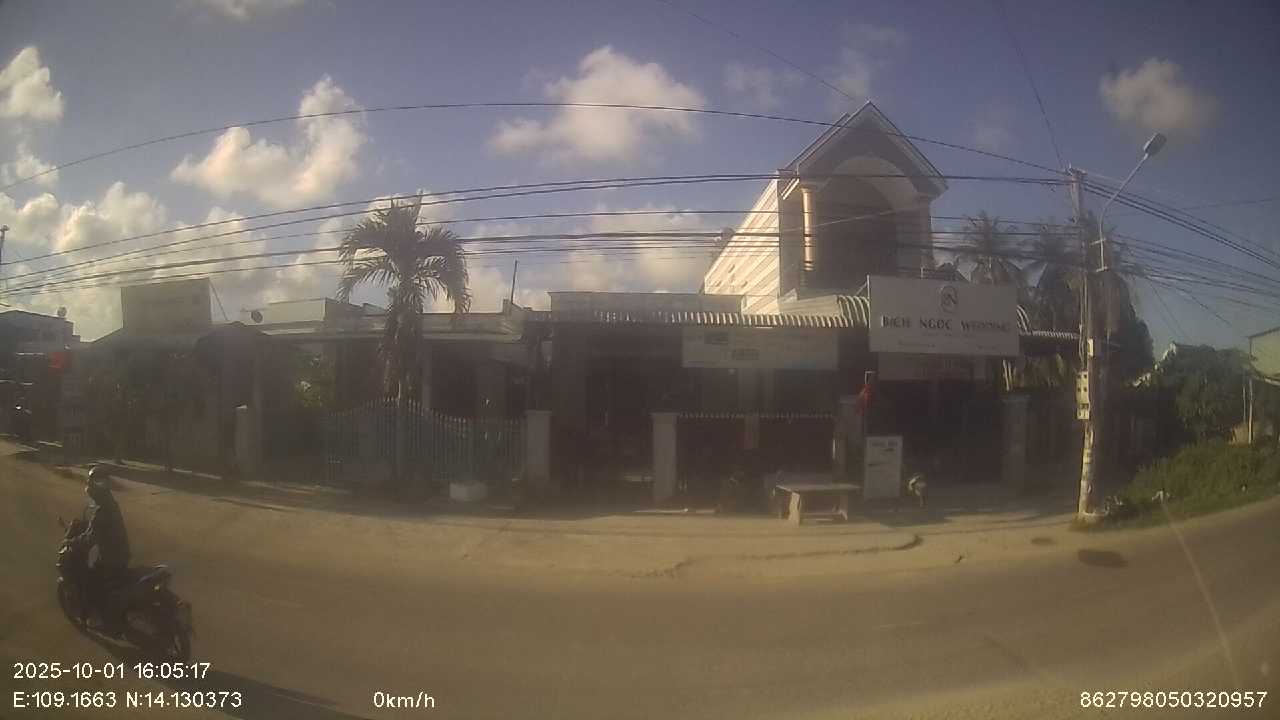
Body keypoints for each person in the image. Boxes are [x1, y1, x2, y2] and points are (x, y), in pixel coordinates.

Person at [74, 465, 131, 635]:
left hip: (112, 558)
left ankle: (103, 621)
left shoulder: (101, 513)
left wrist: (73, 543)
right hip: (122, 552)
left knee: (90, 582)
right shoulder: (111, 503)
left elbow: (89, 539)